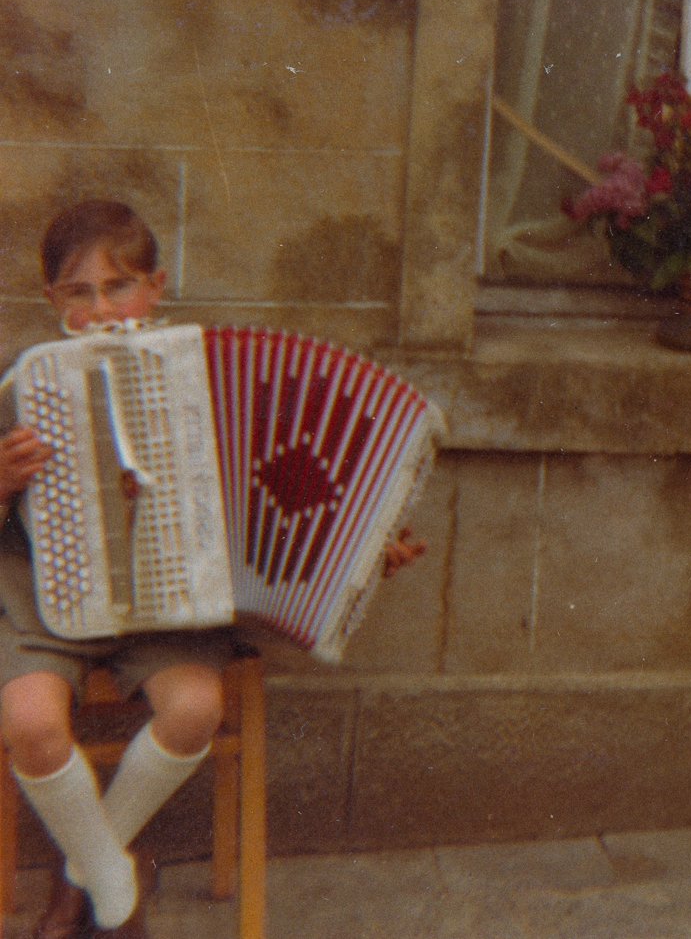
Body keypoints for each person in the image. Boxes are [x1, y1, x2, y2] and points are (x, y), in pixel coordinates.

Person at [0, 201, 422, 938]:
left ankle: (83, 877)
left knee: (195, 707)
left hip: (170, 610)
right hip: (47, 601)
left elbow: (290, 498)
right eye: (79, 292)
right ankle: (118, 891)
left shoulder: (208, 381)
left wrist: (359, 548)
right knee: (31, 723)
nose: (102, 310)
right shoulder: (22, 387)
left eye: (119, 286)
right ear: (51, 299)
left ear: (155, 286)